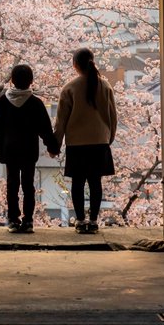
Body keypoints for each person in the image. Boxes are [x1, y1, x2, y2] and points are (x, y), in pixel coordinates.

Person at [54, 47, 117, 234]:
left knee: (78, 184)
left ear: (75, 65)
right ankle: (94, 220)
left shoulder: (69, 88)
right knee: (95, 183)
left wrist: (56, 144)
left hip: (77, 144)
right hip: (100, 141)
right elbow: (113, 117)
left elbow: (61, 121)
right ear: (92, 61)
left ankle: (80, 221)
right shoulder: (105, 86)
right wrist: (108, 138)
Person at [0, 63, 59, 233]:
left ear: (12, 80)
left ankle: (13, 221)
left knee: (12, 184)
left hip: (10, 150)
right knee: (28, 185)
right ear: (31, 81)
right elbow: (45, 129)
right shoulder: (35, 103)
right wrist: (53, 147)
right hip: (29, 150)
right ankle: (28, 221)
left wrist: (0, 148)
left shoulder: (2, 102)